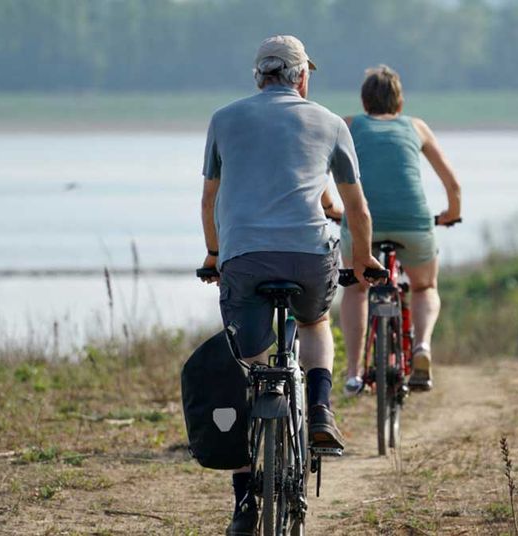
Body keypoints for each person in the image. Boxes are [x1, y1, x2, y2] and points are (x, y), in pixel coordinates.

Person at [199, 35, 384, 535]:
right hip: (308, 258)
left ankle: (244, 503)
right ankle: (320, 407)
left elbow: (209, 199)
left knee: (248, 368)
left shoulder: (223, 119)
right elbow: (356, 207)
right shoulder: (330, 122)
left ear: (258, 76)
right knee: (315, 320)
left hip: (244, 258)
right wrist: (363, 259)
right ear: (302, 77)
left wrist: (214, 255)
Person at [339, 65, 462, 395]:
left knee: (357, 288)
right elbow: (453, 184)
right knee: (424, 286)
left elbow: (320, 171)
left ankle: (353, 373)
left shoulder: (349, 126)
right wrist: (451, 214)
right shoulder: (416, 127)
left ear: (364, 102)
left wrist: (330, 207)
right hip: (413, 222)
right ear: (400, 102)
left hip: (362, 222)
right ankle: (422, 346)